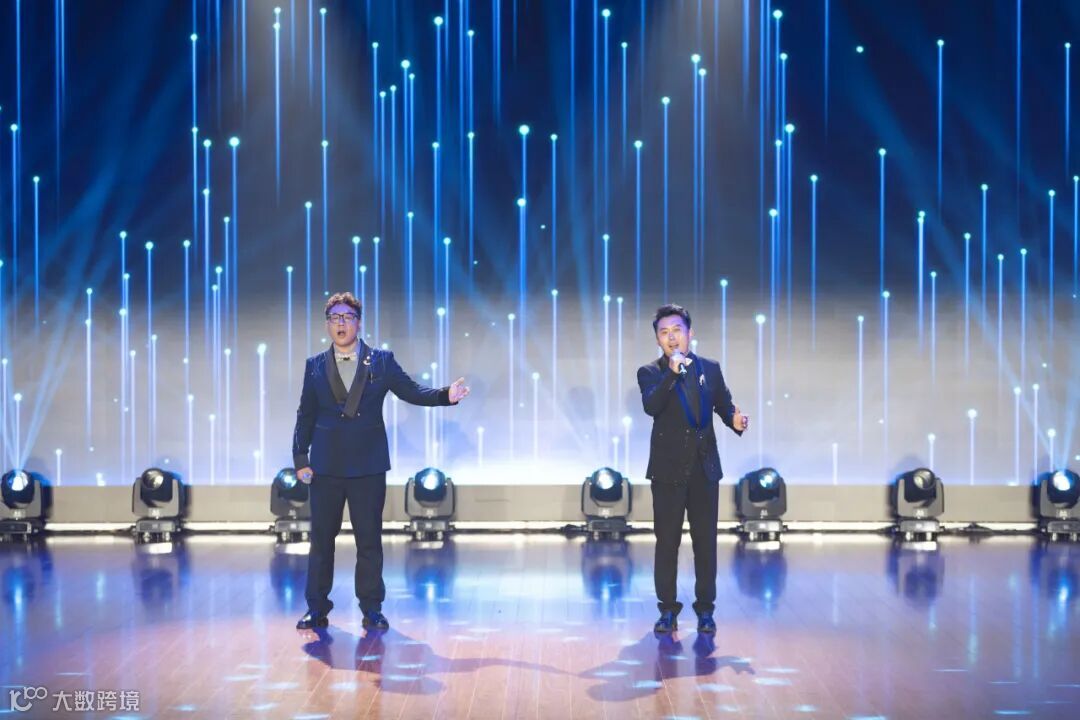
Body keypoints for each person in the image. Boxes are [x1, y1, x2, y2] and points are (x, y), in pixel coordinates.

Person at [292, 292, 470, 630]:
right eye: (334, 317)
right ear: (327, 324)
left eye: (347, 317)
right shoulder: (314, 365)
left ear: (358, 323)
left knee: (369, 541)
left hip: (368, 466)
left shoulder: (382, 361)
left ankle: (371, 608)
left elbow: (411, 391)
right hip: (326, 467)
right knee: (321, 542)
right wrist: (301, 457)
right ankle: (316, 607)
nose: (341, 323)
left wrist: (445, 395)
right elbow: (306, 414)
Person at [636, 304, 748, 635]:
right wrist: (672, 373)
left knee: (705, 543)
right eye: (664, 332)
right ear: (658, 339)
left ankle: (706, 610)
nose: (671, 337)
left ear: (690, 333)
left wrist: (735, 420)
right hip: (667, 471)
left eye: (677, 330)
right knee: (667, 543)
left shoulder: (709, 369)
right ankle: (667, 610)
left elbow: (724, 405)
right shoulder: (650, 372)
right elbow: (651, 406)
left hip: (704, 469)